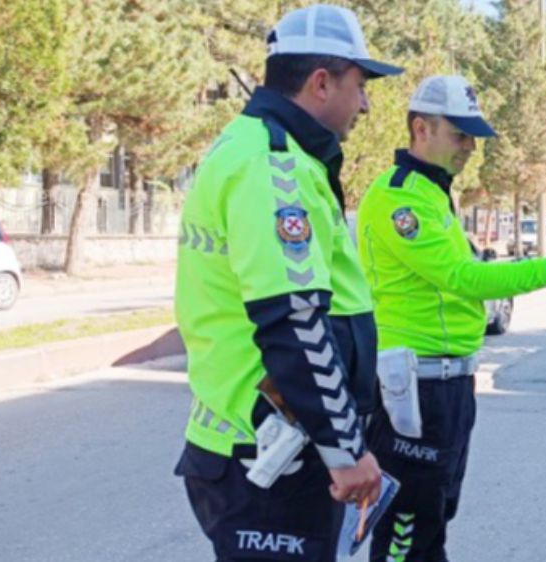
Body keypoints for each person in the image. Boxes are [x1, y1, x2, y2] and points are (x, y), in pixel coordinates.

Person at [172, 5, 403, 561]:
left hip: (261, 444)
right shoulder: (273, 165)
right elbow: (295, 322)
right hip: (267, 455)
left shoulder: (259, 148)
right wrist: (345, 448)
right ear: (321, 82)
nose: (367, 103)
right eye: (360, 84)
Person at [356, 75, 546, 562]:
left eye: (472, 137)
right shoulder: (399, 198)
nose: (470, 147)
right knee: (408, 528)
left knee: (435, 516)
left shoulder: (433, 193)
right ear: (420, 128)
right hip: (415, 386)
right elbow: (462, 277)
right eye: (460, 135)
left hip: (448, 384)